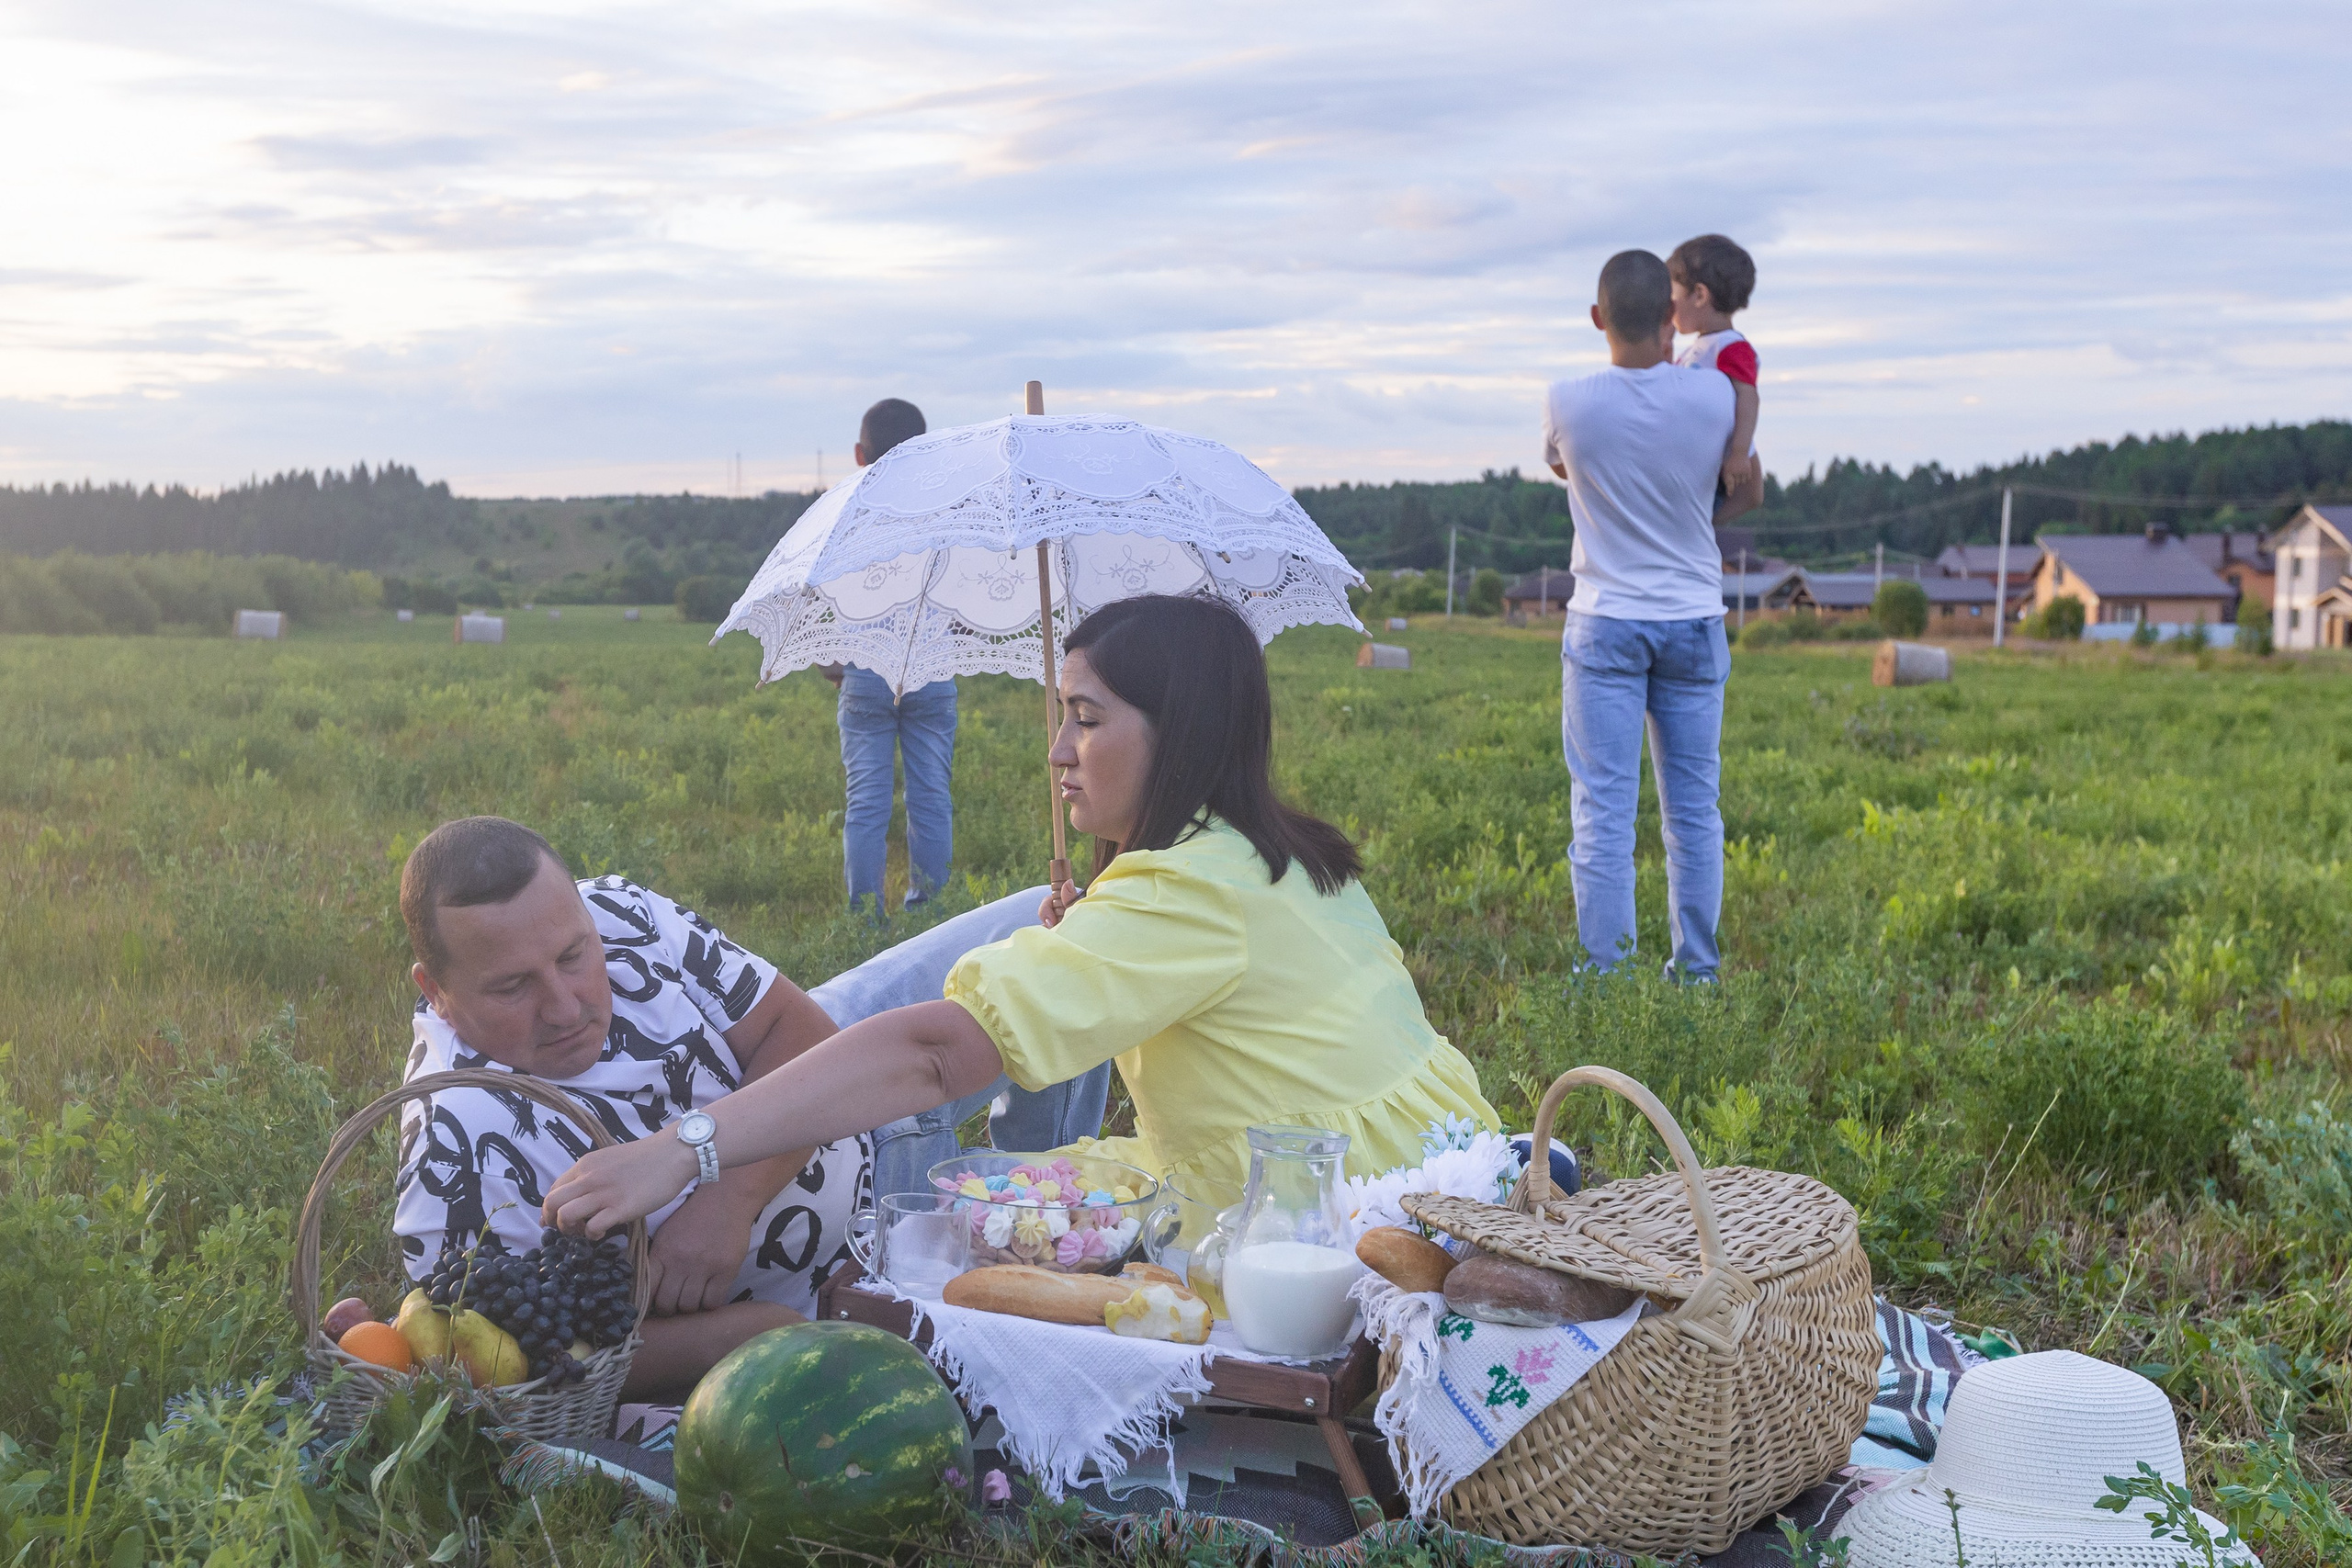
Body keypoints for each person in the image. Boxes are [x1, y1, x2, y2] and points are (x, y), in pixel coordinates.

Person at [543, 594, 1501, 1243]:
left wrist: (683, 1151)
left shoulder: (1186, 894)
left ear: (1181, 733)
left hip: (1324, 1226)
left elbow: (932, 1056)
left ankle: (733, 1164)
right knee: (1015, 1150)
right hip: (1436, 1177)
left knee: (949, 1216)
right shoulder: (1273, 854)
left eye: (1085, 717)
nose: (1057, 750)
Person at [390, 816, 1103, 1396]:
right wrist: (743, 1334)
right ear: (436, 988)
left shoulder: (619, 910)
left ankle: (1041, 1199)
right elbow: (530, 1363)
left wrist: (725, 1199)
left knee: (1073, 927)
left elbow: (799, 1031)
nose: (565, 1003)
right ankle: (1038, 1247)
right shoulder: (456, 1142)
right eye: (513, 987)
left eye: (575, 954)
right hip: (867, 1248)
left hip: (839, 1071)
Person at [1542, 249, 1760, 982]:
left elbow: (1561, 466)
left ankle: (1607, 979)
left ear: (1598, 319)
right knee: (1694, 814)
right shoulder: (1716, 396)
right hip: (1695, 618)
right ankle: (1696, 973)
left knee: (1603, 815)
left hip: (1604, 619)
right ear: (1672, 318)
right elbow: (1746, 482)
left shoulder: (1567, 398)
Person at [827, 397, 959, 913]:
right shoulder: (943, 511)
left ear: (861, 453)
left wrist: (830, 659)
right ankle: (929, 911)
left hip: (865, 672)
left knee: (866, 806)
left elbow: (829, 593)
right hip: (932, 669)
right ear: (925, 449)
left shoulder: (848, 514)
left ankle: (864, 920)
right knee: (932, 800)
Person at [1668, 234, 1760, 505]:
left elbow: (1748, 396)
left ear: (1699, 295)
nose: (1668, 307)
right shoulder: (1701, 347)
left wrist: (1739, 453)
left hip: (1716, 468)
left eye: (1672, 296)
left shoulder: (1730, 346)